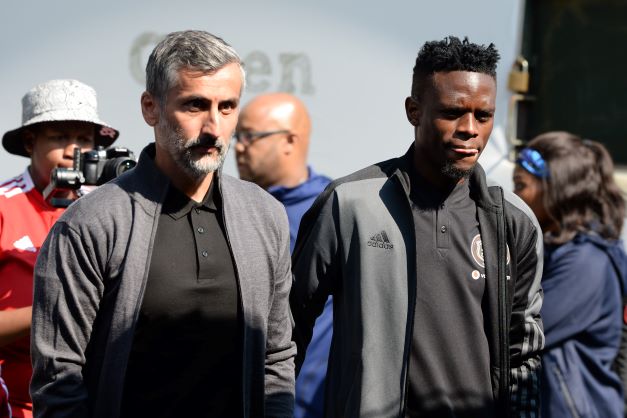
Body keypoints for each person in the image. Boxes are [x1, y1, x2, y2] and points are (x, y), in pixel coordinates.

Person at [30, 30, 295, 418]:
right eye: (195, 106)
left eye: (227, 107)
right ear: (150, 108)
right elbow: (58, 379)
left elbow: (276, 356)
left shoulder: (265, 215)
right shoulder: (90, 224)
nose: (213, 127)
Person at [290, 36, 545, 417]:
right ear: (414, 111)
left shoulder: (513, 221)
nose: (469, 129)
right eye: (452, 112)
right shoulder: (352, 203)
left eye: (483, 115)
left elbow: (524, 354)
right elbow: (288, 328)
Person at [0, 79, 119, 418]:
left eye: (83, 139)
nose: (73, 150)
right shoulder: (3, 207)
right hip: (16, 403)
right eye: (59, 137)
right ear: (29, 142)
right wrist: (53, 307)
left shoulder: (113, 210)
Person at [513, 131, 627, 417]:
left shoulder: (586, 261)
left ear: (556, 189)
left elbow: (522, 334)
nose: (514, 198)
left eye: (520, 186)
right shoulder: (555, 248)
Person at [235, 93, 331, 418]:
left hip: (317, 400)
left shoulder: (334, 209)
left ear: (290, 140)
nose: (238, 146)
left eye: (250, 136)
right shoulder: (232, 210)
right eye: (237, 136)